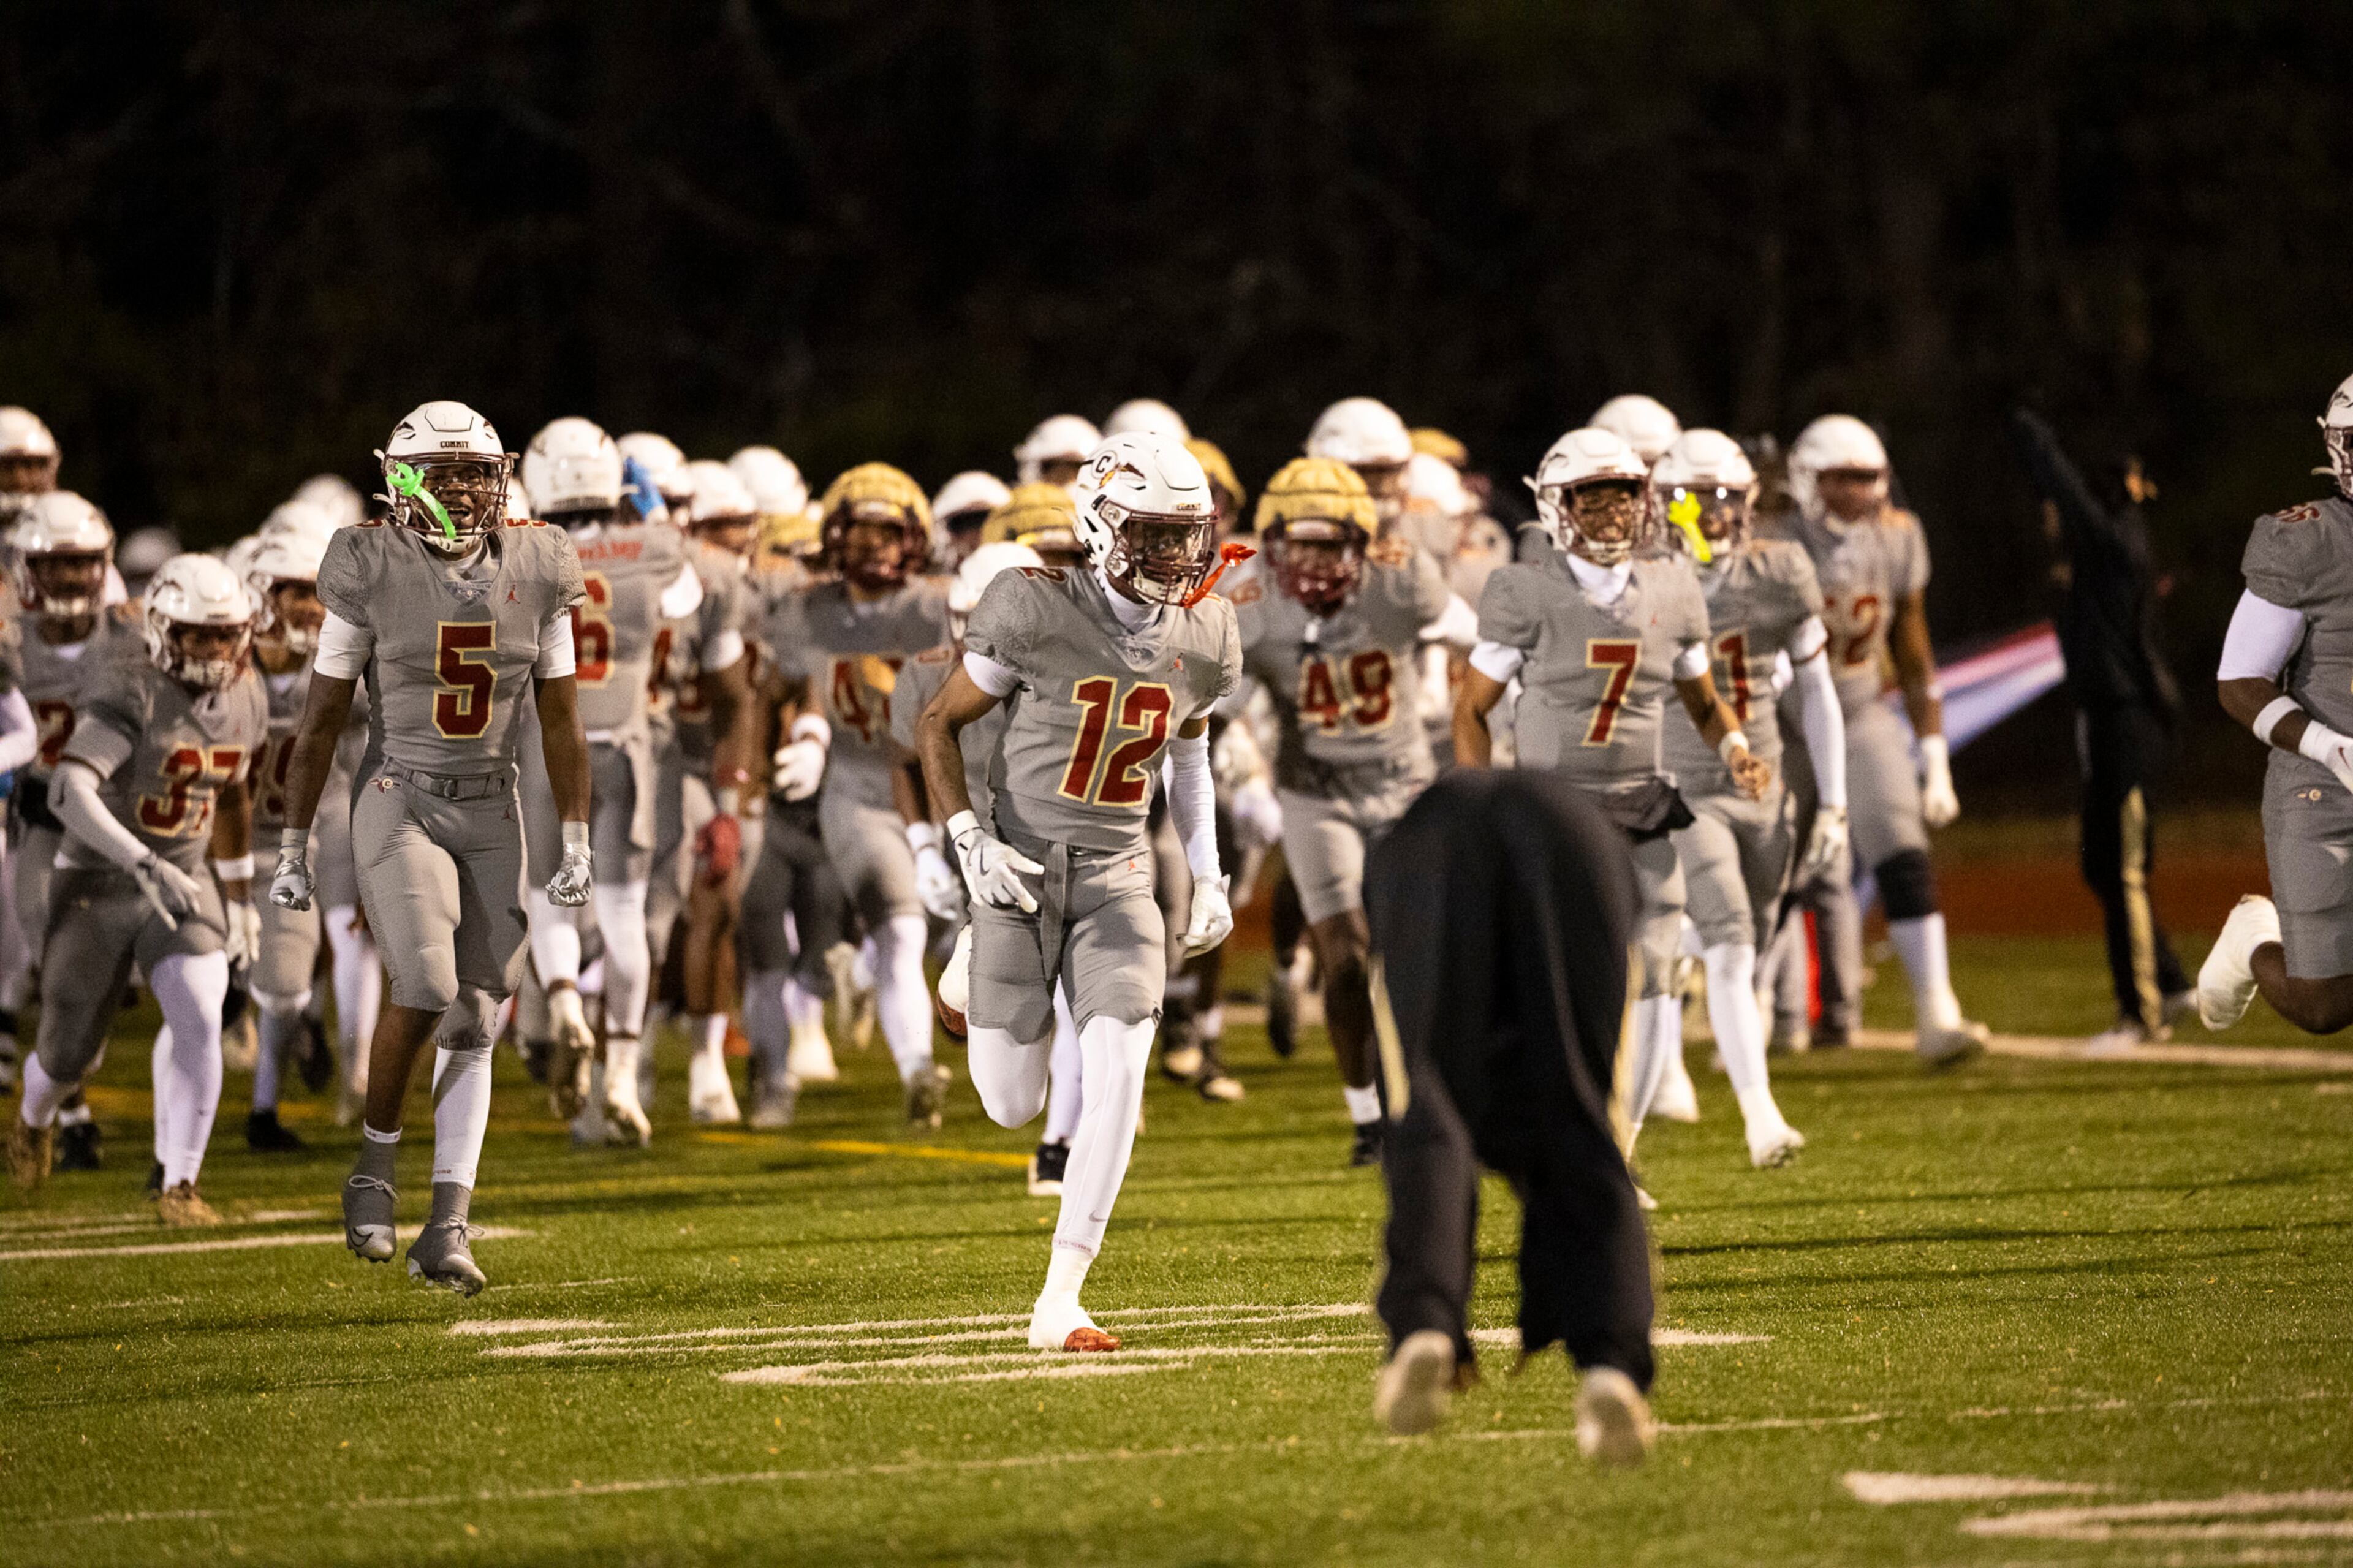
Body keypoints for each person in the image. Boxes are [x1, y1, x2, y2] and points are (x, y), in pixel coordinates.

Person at [915, 430, 1242, 1352]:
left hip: (1119, 879)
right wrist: (966, 835)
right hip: (1017, 870)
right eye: (1156, 534)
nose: (1178, 556)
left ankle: (1063, 1294)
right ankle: (965, 966)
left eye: (1189, 535)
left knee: (1120, 1073)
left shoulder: (1209, 630)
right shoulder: (1032, 606)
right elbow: (938, 723)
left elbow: (1191, 758)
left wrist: (1209, 871)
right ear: (1101, 527)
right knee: (1011, 1102)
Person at [271, 400, 591, 1295]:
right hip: (400, 793)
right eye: (440, 472)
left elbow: (562, 720)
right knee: (424, 981)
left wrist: (576, 832)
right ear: (400, 481)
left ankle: (447, 1223)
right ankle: (373, 1168)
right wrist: (294, 844)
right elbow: (324, 715)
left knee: (479, 1017)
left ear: (501, 477)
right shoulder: (368, 562)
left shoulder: (540, 562)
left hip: (495, 804)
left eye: (473, 471)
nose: (459, 487)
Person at [1454, 427, 1768, 1176]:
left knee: (1661, 964)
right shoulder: (1525, 589)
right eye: (1592, 503)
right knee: (1564, 977)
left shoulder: (1671, 585)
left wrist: (1735, 750)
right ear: (1558, 510)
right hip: (1556, 806)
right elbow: (1470, 710)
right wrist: (1480, 796)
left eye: (1624, 500)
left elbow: (1702, 699)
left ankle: (1614, 1157)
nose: (1612, 517)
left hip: (1640, 797)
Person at [1366, 768, 1654, 1464]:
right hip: (1578, 834)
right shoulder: (1527, 1121)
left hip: (1429, 840)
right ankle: (1612, 1362)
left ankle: (1425, 1324)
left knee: (1428, 1114)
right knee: (1584, 1121)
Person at [7, 554, 266, 1227]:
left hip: (183, 878)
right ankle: (34, 1114)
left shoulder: (247, 692)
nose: (214, 650)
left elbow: (232, 790)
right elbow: (69, 790)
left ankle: (180, 1183)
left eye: (223, 633)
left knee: (201, 1012)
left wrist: (239, 900)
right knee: (72, 1054)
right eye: (197, 635)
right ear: (160, 632)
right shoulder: (133, 687)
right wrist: (140, 863)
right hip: (99, 877)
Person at [1229, 457, 1450, 1165]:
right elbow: (1214, 706)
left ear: (1365, 542)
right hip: (1314, 790)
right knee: (1347, 957)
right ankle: (1367, 1118)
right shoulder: (1253, 604)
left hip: (1404, 783)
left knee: (1418, 951)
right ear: (1274, 543)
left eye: (1333, 544)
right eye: (1303, 544)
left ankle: (1430, 1093)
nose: (1317, 563)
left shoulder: (1401, 582)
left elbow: (1475, 632)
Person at [1654, 430, 1844, 1167]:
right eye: (1698, 499)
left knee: (1749, 939)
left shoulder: (1779, 571)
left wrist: (1831, 802)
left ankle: (1662, 948)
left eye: (1728, 497)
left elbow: (1819, 693)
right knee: (1734, 946)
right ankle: (1762, 1119)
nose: (1715, 513)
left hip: (1762, 788)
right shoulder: (1642, 581)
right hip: (1680, 788)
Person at [1776, 414, 1987, 1066]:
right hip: (1779, 717)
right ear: (1809, 480)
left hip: (1861, 705)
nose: (1861, 491)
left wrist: (1933, 752)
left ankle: (1936, 1012)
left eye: (1868, 476)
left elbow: (1914, 650)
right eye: (1843, 478)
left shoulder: (1897, 538)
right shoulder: (1770, 540)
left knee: (1901, 845)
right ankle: (1759, 1018)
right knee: (1767, 864)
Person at [515, 416, 698, 1145]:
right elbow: (684, 600)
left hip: (548, 743)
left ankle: (561, 1001)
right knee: (625, 916)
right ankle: (623, 1075)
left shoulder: (520, 554)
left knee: (551, 904)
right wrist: (651, 511)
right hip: (625, 744)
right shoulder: (650, 548)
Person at [759, 463, 957, 1127]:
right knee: (903, 931)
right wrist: (803, 737)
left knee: (946, 937)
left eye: (886, 533)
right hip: (861, 789)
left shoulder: (941, 606)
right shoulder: (809, 609)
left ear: (914, 540)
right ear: (835, 538)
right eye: (859, 533)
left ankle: (859, 973)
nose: (872, 547)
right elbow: (780, 689)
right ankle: (919, 1071)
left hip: (942, 788)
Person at [2009, 407, 2190, 1051]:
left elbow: (2067, 495)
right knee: (2101, 863)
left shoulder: (2114, 547)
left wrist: (2034, 438)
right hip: (2106, 717)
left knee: (2122, 868)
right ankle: (2168, 980)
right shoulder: (2102, 558)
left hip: (2126, 721)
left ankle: (2140, 1014)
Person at [2200, 373, 2353, 1036]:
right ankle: (2251, 938)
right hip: (2325, 783)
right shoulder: (2311, 539)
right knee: (2325, 1007)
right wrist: (2327, 745)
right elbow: (2240, 680)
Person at [4, 491, 138, 1162]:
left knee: (97, 978)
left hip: (116, 821)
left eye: (84, 562)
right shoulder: (9, 635)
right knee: (51, 959)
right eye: (55, 564)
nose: (70, 576)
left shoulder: (133, 636)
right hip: (39, 820)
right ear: (26, 567)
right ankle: (73, 1112)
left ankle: (66, 1099)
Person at [239, 528, 343, 1151]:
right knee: (196, 988)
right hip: (207, 855)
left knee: (286, 994)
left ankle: (262, 1109)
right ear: (260, 595)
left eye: (319, 592)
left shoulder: (340, 665)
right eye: (296, 591)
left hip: (289, 853)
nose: (311, 605)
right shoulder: (223, 661)